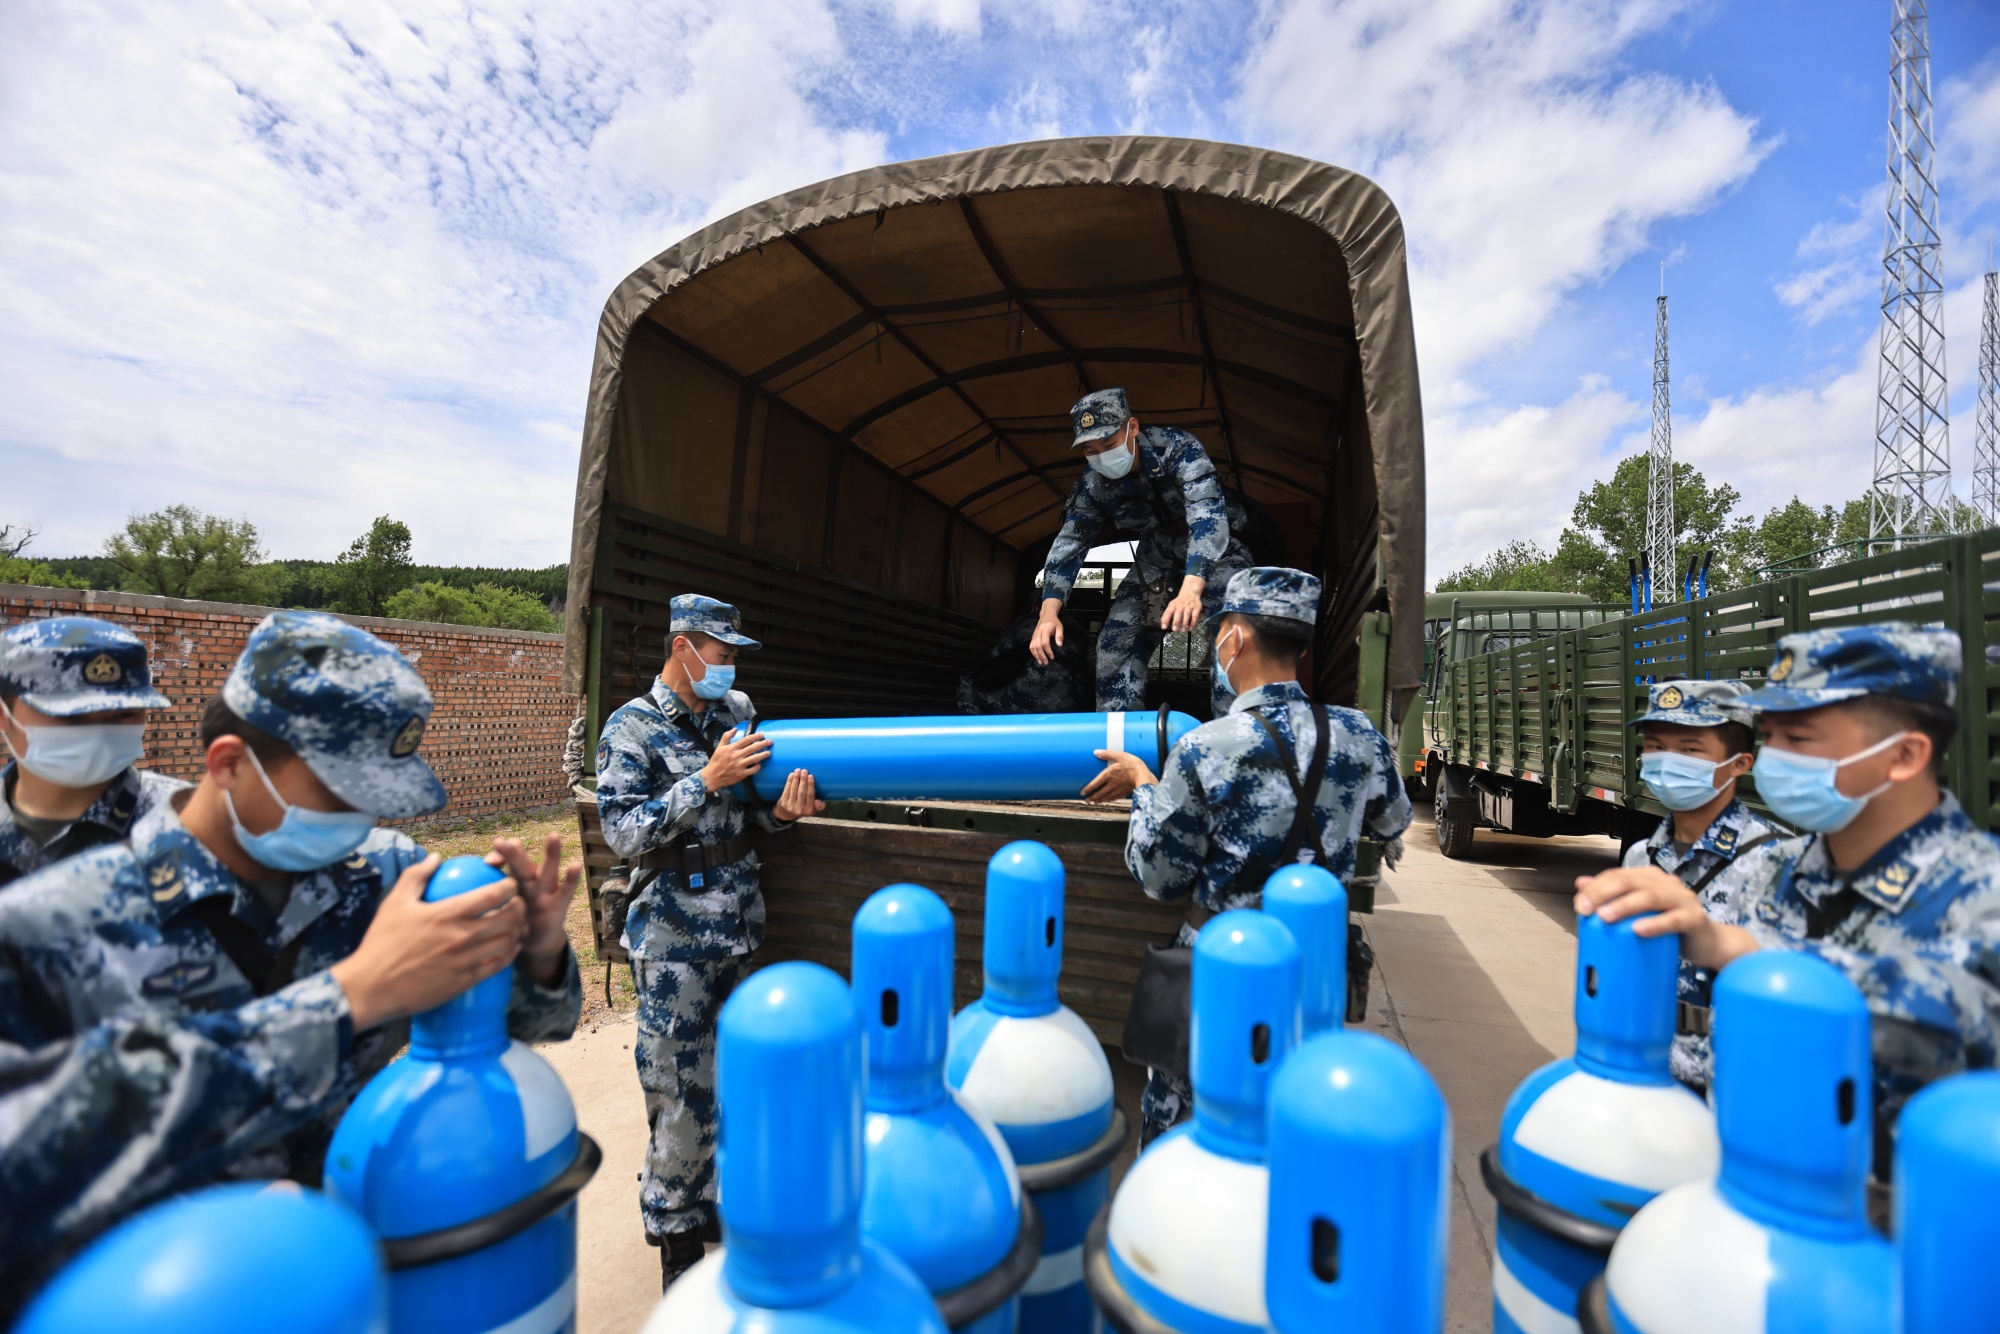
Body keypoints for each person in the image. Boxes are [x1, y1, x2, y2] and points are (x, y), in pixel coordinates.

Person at [0, 611, 582, 1315]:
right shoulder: (46, 929)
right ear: (229, 764)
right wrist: (349, 997)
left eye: (377, 798)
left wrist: (538, 953)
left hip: (359, 1287)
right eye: (339, 792)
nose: (360, 818)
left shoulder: (384, 878)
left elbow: (530, 1025)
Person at [1577, 624, 2000, 1166]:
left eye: (1798, 740)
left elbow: (1962, 1007)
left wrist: (1739, 951)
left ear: (1905, 755)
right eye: (1770, 735)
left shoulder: (1979, 888)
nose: (1774, 759)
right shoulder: (1777, 867)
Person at [1083, 567, 1411, 1143]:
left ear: (1233, 640)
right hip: (1315, 967)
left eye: (1219, 634)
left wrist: (1142, 786)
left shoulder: (1205, 746)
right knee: (1297, 1112)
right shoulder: (1361, 735)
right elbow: (1393, 822)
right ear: (1302, 643)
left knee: (1193, 1123)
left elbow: (1160, 877)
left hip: (1220, 965)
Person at [593, 594, 825, 1288]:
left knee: (742, 1085)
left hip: (737, 928)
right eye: (721, 656)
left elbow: (750, 816)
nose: (728, 669)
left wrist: (782, 813)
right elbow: (623, 831)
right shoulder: (629, 728)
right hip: (671, 942)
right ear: (683, 647)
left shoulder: (735, 713)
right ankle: (677, 1237)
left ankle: (721, 1209)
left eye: (731, 659)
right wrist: (704, 779)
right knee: (678, 1091)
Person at [1027, 387, 1254, 717]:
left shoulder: (1177, 448)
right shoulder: (1094, 483)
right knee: (1116, 642)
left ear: (1132, 428)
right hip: (1157, 556)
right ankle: (1120, 741)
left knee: (1234, 633)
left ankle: (1235, 732)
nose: (1102, 456)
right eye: (1091, 450)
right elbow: (1071, 544)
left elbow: (1207, 517)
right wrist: (1048, 614)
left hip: (1215, 551)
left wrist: (1191, 591)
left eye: (1108, 444)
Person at [1623, 678, 1779, 1091]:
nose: (1666, 760)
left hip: (1725, 1094)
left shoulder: (1774, 860)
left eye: (1690, 749)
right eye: (1655, 747)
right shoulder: (1641, 856)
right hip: (1639, 1078)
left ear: (1740, 764)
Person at [1, 617, 186, 890]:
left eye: (124, 714)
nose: (99, 733)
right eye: (71, 715)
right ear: (4, 716)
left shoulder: (188, 823)